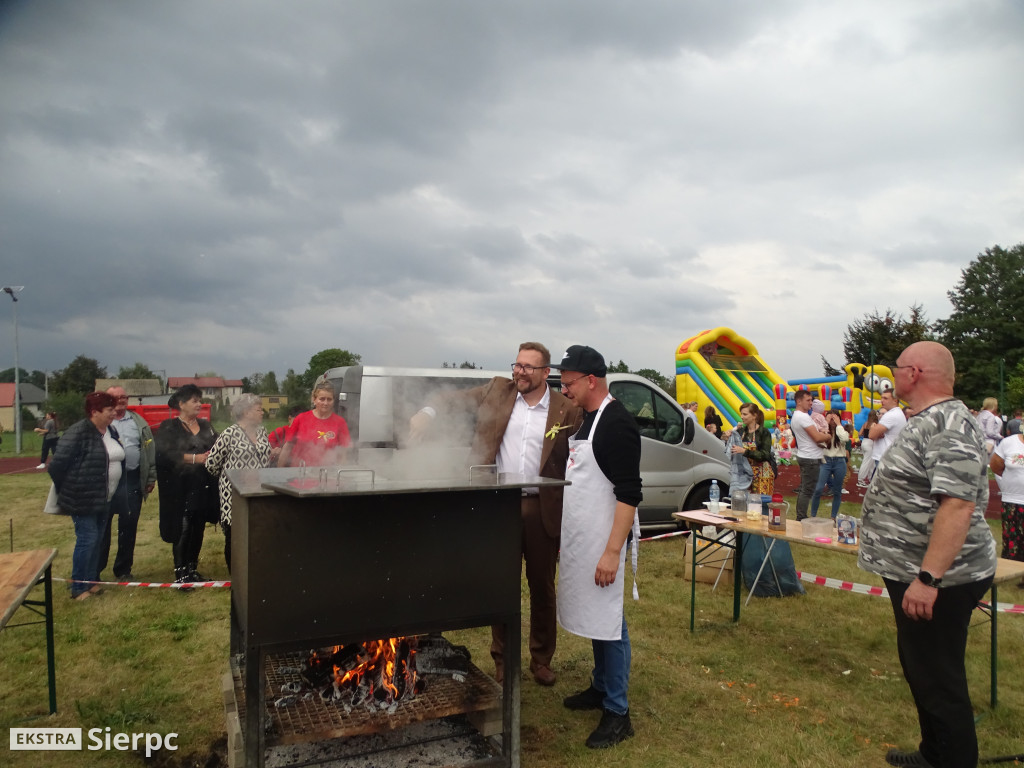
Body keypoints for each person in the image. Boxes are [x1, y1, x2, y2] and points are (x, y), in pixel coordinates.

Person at [409, 342, 580, 687]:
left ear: (546, 373)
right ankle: (503, 661)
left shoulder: (565, 409)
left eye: (528, 367)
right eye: (517, 365)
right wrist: (426, 412)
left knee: (542, 587)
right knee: (503, 586)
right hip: (499, 504)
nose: (519, 372)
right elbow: (448, 399)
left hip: (541, 506)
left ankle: (542, 659)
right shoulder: (497, 391)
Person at [859, 342, 996, 768]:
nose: (892, 375)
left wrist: (928, 579)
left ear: (913, 373)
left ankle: (952, 758)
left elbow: (957, 505)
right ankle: (933, 753)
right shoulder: (929, 419)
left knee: (939, 680)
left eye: (896, 368)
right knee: (922, 670)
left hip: (942, 578)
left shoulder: (950, 423)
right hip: (916, 571)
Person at [553, 345, 642, 749]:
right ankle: (600, 686)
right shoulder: (588, 419)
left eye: (568, 383)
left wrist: (611, 552)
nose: (564, 390)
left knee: (610, 622)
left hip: (604, 540)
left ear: (591, 380)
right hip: (583, 540)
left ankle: (618, 712)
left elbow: (628, 495)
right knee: (594, 613)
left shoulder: (617, 424)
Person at [47, 392, 125, 600]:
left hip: (104, 497)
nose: (113, 413)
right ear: (94, 412)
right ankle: (78, 587)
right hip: (82, 499)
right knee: (87, 539)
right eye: (109, 410)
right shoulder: (78, 432)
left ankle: (91, 581)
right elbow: (56, 465)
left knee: (97, 539)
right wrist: (71, 487)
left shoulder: (110, 430)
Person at [155, 385, 219, 584]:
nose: (199, 404)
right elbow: (165, 455)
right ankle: (180, 572)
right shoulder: (169, 427)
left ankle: (192, 568)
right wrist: (195, 458)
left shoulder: (206, 426)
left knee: (198, 527)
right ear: (181, 404)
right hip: (179, 487)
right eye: (194, 401)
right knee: (183, 527)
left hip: (203, 485)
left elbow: (218, 445)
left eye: (200, 400)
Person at [206, 393, 271, 571]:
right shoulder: (229, 434)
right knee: (235, 535)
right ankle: (235, 574)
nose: (262, 413)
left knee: (257, 531)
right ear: (246, 412)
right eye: (258, 409)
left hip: (258, 489)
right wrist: (232, 477)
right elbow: (211, 464)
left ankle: (255, 569)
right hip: (234, 493)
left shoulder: (262, 431)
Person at [98, 386, 157, 581]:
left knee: (129, 526)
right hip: (105, 482)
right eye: (116, 397)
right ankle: (94, 570)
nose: (121, 400)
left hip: (131, 480)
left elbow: (149, 451)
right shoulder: (100, 422)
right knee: (101, 527)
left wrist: (150, 478)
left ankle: (123, 570)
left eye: (124, 397)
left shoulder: (138, 422)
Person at [278, 381, 351, 467]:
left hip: (328, 475)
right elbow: (287, 447)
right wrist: (279, 472)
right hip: (300, 474)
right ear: (314, 399)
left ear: (333, 401)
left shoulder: (340, 422)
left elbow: (343, 454)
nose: (326, 403)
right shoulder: (300, 419)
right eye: (322, 399)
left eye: (329, 399)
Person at [790, 390, 830, 520]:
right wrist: (829, 435)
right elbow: (817, 438)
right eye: (808, 400)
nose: (811, 403)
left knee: (805, 489)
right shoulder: (803, 417)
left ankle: (801, 516)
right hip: (810, 457)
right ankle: (801, 517)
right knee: (807, 490)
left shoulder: (797, 416)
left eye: (811, 400)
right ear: (799, 401)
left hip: (806, 454)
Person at [990, 431, 1024, 569]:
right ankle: (1012, 570)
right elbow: (996, 466)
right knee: (1013, 538)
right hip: (1013, 500)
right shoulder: (1009, 443)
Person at [726, 403, 774, 495]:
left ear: (754, 415)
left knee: (759, 505)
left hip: (762, 475)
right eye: (741, 414)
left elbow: (766, 455)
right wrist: (728, 439)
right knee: (743, 504)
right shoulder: (740, 432)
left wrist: (745, 451)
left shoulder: (763, 432)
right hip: (744, 474)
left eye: (745, 414)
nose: (742, 417)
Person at [809, 410, 848, 519]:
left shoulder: (841, 431)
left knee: (837, 491)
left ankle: (833, 517)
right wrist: (825, 424)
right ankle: (813, 515)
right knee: (818, 489)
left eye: (834, 418)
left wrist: (839, 424)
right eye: (830, 418)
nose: (832, 421)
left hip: (839, 461)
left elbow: (845, 439)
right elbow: (819, 442)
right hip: (825, 461)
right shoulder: (823, 431)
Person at [869, 389, 907, 471]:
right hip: (890, 456)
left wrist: (873, 426)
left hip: (885, 457)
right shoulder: (897, 413)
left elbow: (871, 435)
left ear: (895, 400)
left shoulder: (891, 415)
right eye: (881, 398)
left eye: (885, 398)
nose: (882, 401)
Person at [856, 410, 880, 487]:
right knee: (867, 462)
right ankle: (861, 479)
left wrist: (864, 433)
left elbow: (859, 433)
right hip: (870, 443)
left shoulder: (865, 423)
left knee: (870, 462)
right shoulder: (875, 424)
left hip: (864, 442)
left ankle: (870, 478)